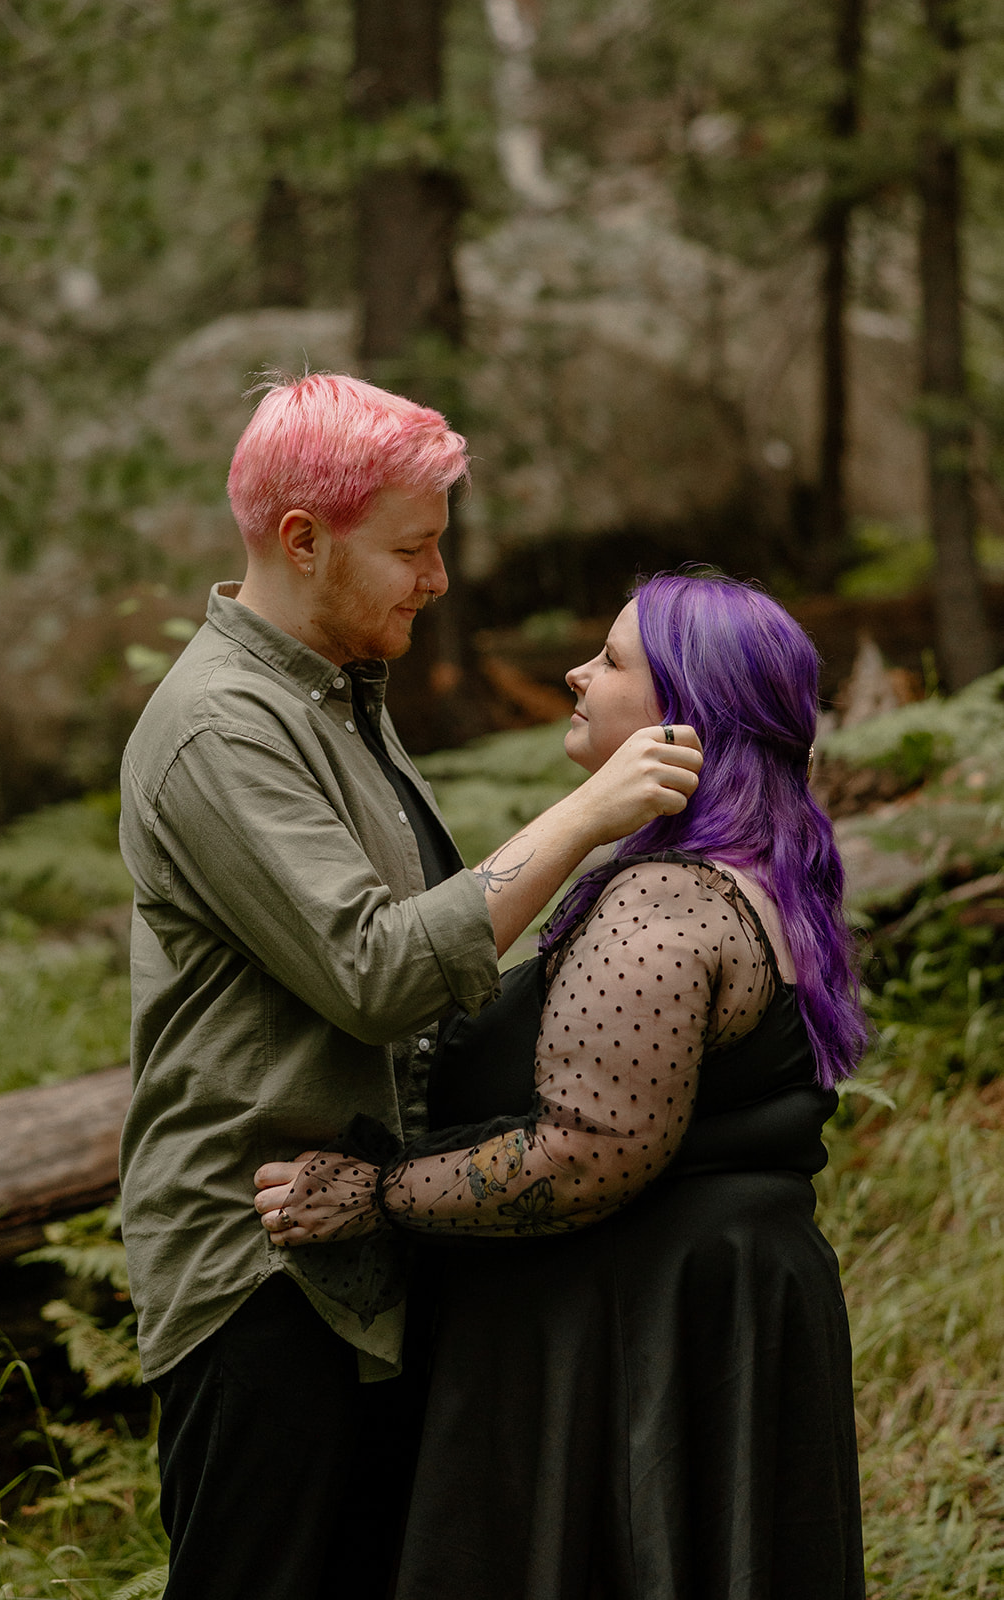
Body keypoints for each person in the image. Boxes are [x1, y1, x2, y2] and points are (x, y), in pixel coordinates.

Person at [118, 372, 702, 1600]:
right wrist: (588, 813)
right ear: (301, 539)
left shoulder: (338, 700)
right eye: (413, 548)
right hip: (261, 1277)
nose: (436, 579)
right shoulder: (221, 729)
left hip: (366, 1251)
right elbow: (379, 970)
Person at [256, 569, 868, 1600]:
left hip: (635, 1344)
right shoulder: (771, 874)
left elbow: (583, 1155)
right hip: (715, 1317)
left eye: (613, 659)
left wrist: (375, 1193)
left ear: (684, 714)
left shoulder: (663, 901)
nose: (577, 675)